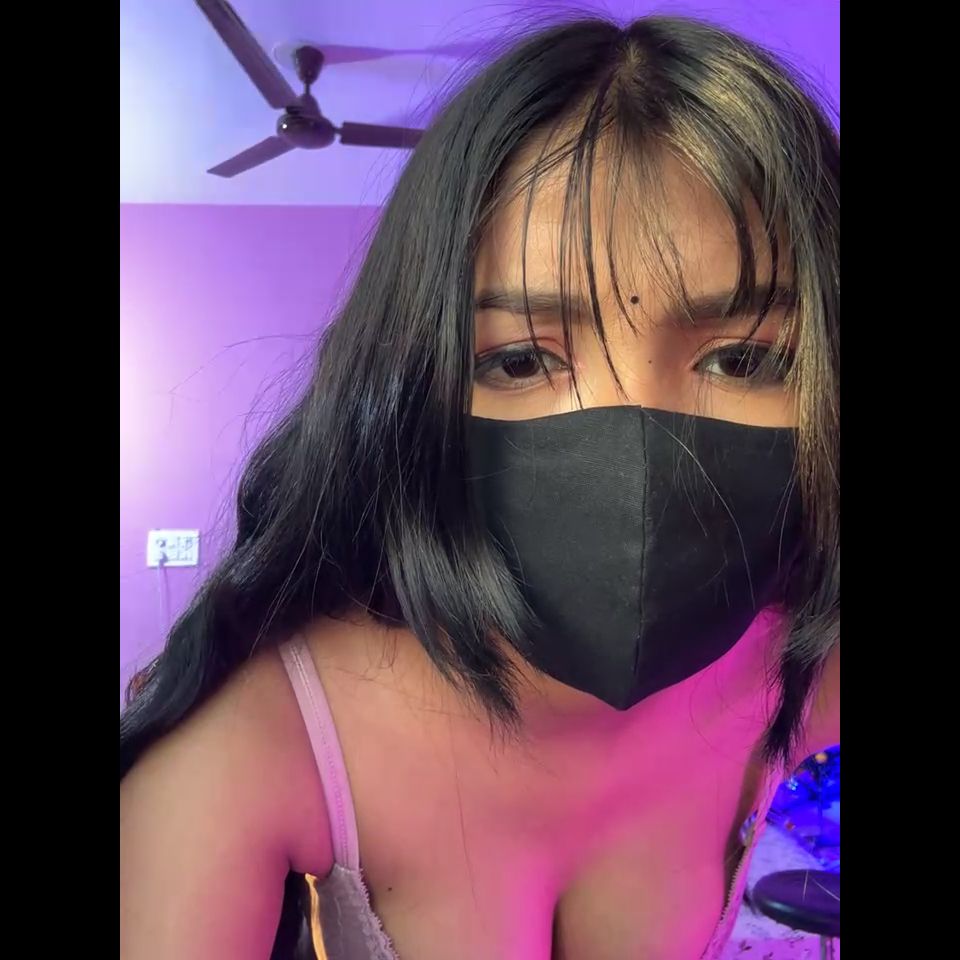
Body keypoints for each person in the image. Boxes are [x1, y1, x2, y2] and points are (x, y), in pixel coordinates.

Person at [120, 15, 839, 960]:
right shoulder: (255, 741)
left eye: (742, 358)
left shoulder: (797, 662)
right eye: (522, 359)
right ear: (415, 387)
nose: (635, 460)